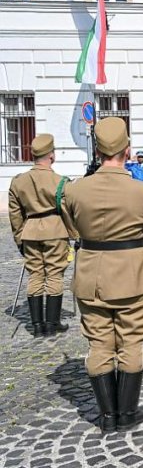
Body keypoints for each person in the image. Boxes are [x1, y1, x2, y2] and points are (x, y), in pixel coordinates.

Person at [64, 117, 143, 432]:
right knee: (131, 342)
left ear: (97, 150)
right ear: (127, 149)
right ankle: (127, 413)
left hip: (90, 275)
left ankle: (108, 415)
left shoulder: (73, 190)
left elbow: (72, 230)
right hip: (131, 275)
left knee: (99, 343)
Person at [8, 133, 75, 338]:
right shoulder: (61, 182)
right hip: (55, 230)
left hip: (30, 231)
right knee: (54, 274)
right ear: (52, 156)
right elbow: (68, 211)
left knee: (35, 275)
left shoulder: (18, 181)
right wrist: (74, 235)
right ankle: (52, 323)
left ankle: (37, 325)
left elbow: (14, 213)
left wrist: (20, 237)